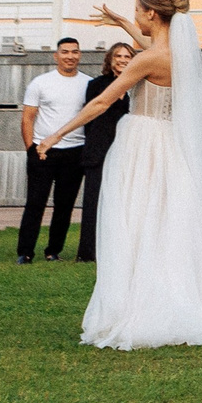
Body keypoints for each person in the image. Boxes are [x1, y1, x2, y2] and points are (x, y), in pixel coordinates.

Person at [31, 0, 202, 349]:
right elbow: (149, 45)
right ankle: (180, 296)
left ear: (152, 14)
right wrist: (122, 22)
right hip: (171, 144)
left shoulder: (147, 59)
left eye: (138, 12)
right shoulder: (177, 54)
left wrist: (55, 134)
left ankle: (143, 306)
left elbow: (102, 103)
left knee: (139, 222)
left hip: (144, 143)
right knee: (169, 222)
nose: (137, 17)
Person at [17, 37, 91, 264]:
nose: (70, 56)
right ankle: (25, 252)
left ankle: (53, 251)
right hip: (43, 151)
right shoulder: (40, 83)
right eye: (65, 52)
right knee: (35, 203)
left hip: (75, 151)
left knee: (64, 205)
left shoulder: (89, 84)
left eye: (74, 52)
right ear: (56, 55)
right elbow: (28, 118)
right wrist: (31, 149)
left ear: (80, 55)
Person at [74, 41, 134, 265]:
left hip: (128, 150)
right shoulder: (96, 85)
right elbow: (90, 118)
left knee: (123, 202)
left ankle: (118, 249)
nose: (122, 60)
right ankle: (87, 252)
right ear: (110, 60)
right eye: (118, 56)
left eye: (127, 56)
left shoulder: (139, 86)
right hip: (99, 150)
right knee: (94, 201)